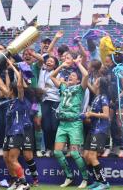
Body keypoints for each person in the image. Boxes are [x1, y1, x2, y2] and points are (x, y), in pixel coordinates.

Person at [50, 55, 89, 188]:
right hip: (62, 124)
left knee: (73, 153)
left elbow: (86, 75)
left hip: (74, 124)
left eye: (73, 76)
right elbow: (52, 77)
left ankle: (85, 178)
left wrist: (78, 64)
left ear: (78, 80)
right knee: (57, 152)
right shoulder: (63, 87)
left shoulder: (80, 89)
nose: (70, 76)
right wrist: (61, 65)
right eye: (70, 75)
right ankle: (69, 176)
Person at [2, 60, 31, 190]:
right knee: (6, 158)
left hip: (17, 132)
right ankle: (16, 181)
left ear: (12, 90)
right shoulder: (11, 102)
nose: (7, 89)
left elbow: (19, 86)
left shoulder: (20, 100)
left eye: (9, 88)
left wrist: (18, 70)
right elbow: (6, 85)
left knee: (13, 159)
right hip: (9, 133)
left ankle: (24, 183)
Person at [83, 77, 111, 190]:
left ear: (99, 84)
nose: (94, 82)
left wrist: (91, 114)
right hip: (92, 129)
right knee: (86, 156)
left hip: (100, 130)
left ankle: (104, 183)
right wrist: (85, 116)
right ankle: (97, 180)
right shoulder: (96, 97)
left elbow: (106, 115)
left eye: (95, 81)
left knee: (92, 156)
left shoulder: (104, 98)